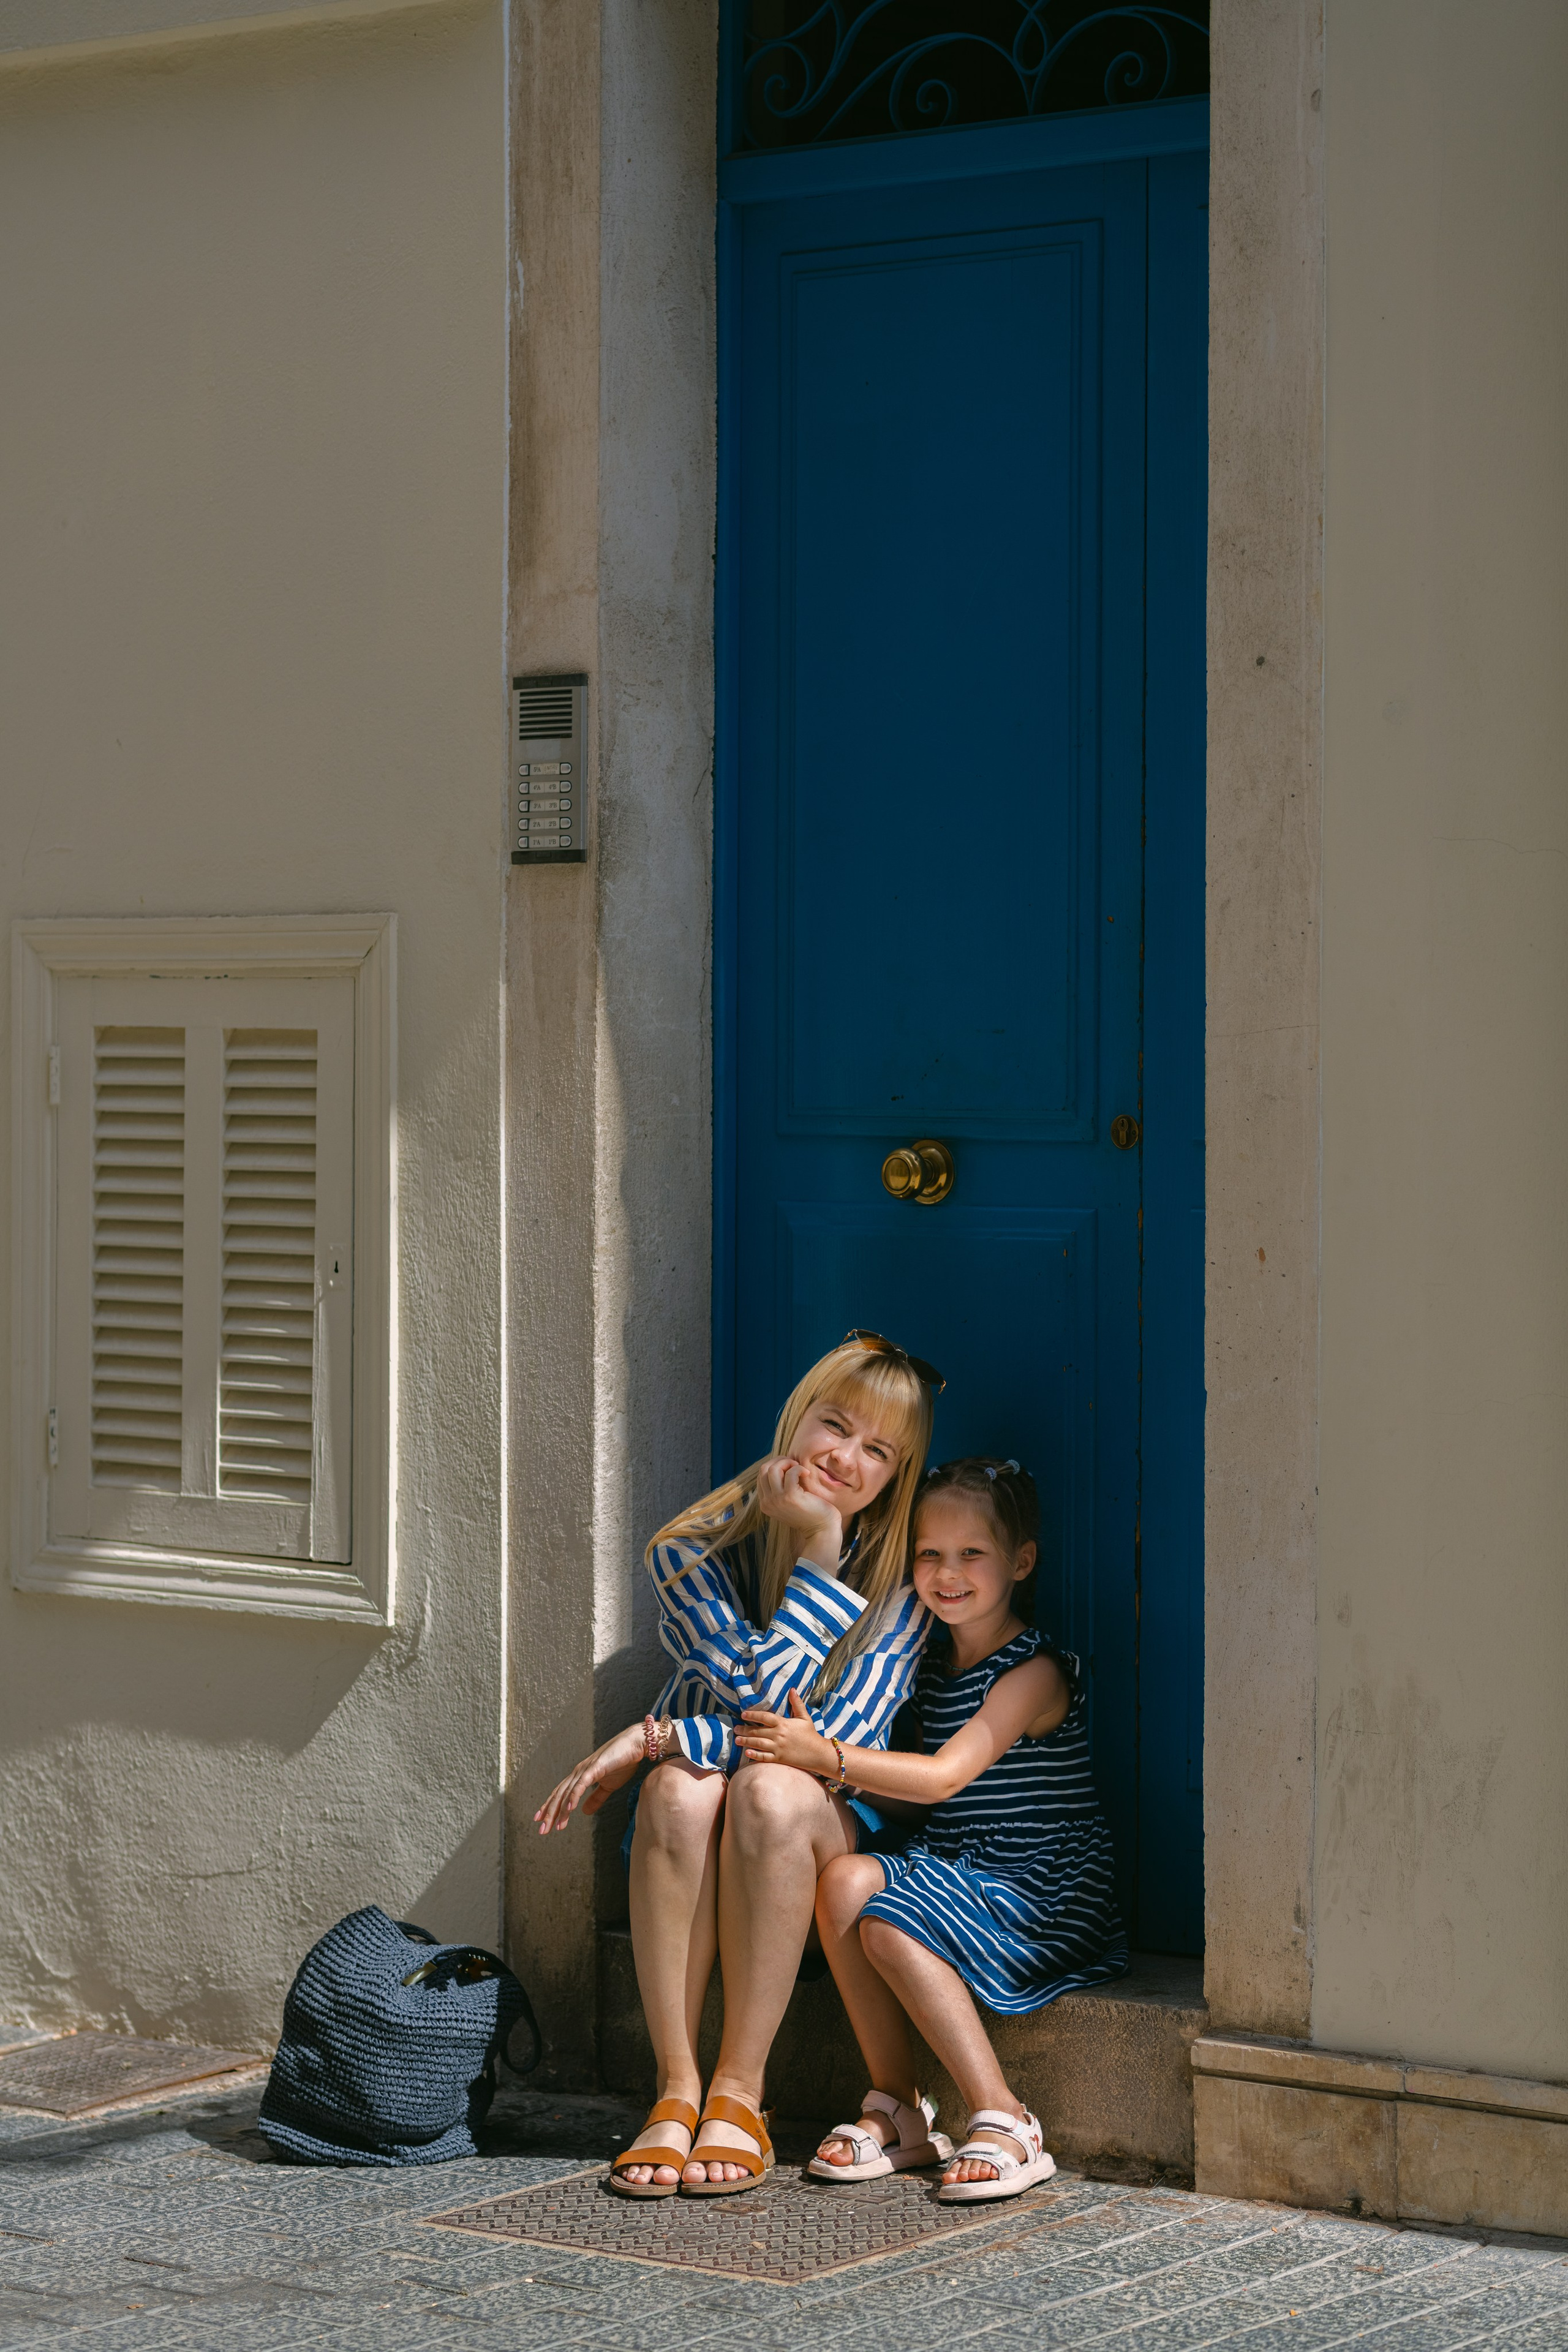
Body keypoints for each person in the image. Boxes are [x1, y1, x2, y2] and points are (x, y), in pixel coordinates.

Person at [533, 1332, 941, 2197]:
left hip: (813, 1818)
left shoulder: (906, 1582)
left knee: (767, 1790)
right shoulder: (690, 1548)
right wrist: (818, 1556)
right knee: (680, 1797)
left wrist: (656, 1735)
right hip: (708, 1819)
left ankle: (741, 2091)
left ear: (897, 1477)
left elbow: (819, 1743)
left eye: (879, 1452)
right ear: (798, 1415)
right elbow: (762, 1701)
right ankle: (678, 2088)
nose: (846, 1457)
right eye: (836, 1424)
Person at [739, 1455, 1126, 2203]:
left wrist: (829, 1755)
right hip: (961, 1861)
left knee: (887, 1925)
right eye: (929, 1554)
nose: (946, 1573)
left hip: (1040, 1884)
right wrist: (826, 1776)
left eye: (971, 1554)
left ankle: (1006, 2116)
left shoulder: (1034, 1670)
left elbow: (948, 1776)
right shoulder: (932, 1669)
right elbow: (929, 1805)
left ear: (1021, 1561)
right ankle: (900, 2107)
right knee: (847, 1879)